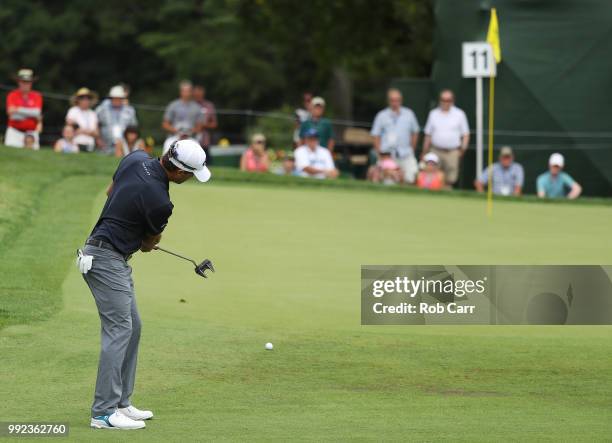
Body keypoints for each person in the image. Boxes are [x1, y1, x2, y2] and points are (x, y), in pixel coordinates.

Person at [77, 139, 211, 430]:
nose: (188, 180)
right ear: (179, 172)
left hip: (107, 253)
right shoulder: (161, 202)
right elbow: (149, 243)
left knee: (132, 326)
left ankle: (121, 403)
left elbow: (111, 192)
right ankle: (102, 412)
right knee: (119, 330)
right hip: (105, 259)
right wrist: (139, 237)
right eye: (190, 175)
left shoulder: (135, 158)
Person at [421, 89, 470, 187]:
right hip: (435, 150)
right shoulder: (433, 114)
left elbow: (465, 134)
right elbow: (428, 135)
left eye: (448, 100)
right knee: (433, 176)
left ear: (452, 101)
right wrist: (424, 152)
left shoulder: (459, 114)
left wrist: (462, 150)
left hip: (452, 152)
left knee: (450, 179)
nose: (445, 102)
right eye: (443, 100)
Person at [370, 88, 420, 183]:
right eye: (392, 100)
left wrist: (412, 149)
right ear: (389, 101)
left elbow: (415, 132)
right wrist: (379, 153)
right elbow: (375, 135)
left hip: (405, 154)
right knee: (387, 181)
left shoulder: (409, 114)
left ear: (401, 101)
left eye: (397, 100)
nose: (395, 103)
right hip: (387, 155)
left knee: (411, 178)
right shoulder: (381, 115)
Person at [5, 68, 43, 149]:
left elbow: (36, 113)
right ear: (19, 82)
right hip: (14, 132)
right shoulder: (12, 95)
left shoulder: (37, 96)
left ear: (31, 83)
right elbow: (12, 116)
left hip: (32, 133)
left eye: (28, 82)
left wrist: (17, 109)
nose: (25, 84)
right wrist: (31, 114)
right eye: (23, 82)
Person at [163, 80, 204, 151]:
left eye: (188, 91)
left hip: (191, 138)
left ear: (191, 92)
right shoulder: (173, 105)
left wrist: (189, 132)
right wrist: (176, 131)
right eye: (184, 91)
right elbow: (165, 124)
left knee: (197, 150)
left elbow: (199, 127)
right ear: (181, 92)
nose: (186, 93)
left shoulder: (197, 107)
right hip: (174, 137)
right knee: (167, 147)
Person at [96, 85, 138, 154]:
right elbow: (96, 124)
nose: (117, 100)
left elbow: (133, 128)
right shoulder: (102, 110)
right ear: (111, 98)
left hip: (124, 144)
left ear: (123, 99)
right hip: (105, 143)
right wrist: (98, 139)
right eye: (114, 98)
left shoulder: (130, 111)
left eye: (119, 98)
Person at [66, 87, 99, 152]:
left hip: (90, 144)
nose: (85, 100)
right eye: (82, 98)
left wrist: (81, 130)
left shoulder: (93, 114)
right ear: (78, 100)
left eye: (88, 98)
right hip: (76, 144)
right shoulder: (73, 111)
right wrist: (89, 132)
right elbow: (69, 128)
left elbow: (97, 133)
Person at [193, 84, 217, 156]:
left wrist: (203, 125)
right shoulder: (189, 105)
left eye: (200, 94)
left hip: (204, 141)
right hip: (190, 139)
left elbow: (214, 124)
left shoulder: (209, 105)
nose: (198, 96)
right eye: (196, 94)